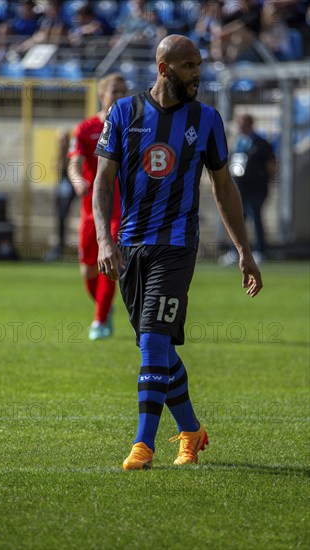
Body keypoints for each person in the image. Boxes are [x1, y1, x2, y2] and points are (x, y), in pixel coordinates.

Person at [92, 35, 263, 470]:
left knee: (152, 342)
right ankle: (191, 431)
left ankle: (142, 445)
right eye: (188, 66)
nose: (197, 73)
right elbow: (102, 181)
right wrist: (104, 239)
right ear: (164, 68)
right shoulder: (124, 113)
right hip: (131, 247)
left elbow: (224, 187)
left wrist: (243, 250)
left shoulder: (206, 120)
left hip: (177, 247)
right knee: (161, 349)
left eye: (199, 64)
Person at [67, 73, 128, 341]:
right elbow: (74, 163)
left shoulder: (133, 128)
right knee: (87, 269)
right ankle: (105, 307)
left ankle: (99, 321)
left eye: (124, 91)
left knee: (110, 259)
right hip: (91, 209)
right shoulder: (86, 128)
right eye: (115, 91)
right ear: (102, 95)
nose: (120, 96)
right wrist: (77, 179)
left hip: (120, 209)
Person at [223, 114, 276, 264]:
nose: (239, 127)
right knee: (238, 220)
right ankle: (236, 252)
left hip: (256, 189)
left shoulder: (261, 143)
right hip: (239, 189)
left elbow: (271, 165)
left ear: (249, 124)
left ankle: (259, 250)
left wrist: (264, 181)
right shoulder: (237, 142)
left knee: (256, 217)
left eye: (241, 124)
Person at [46, 131, 76, 261]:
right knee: (59, 218)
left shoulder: (70, 154)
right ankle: (59, 246)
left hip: (69, 189)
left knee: (63, 216)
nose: (61, 142)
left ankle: (61, 246)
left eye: (63, 140)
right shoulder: (60, 155)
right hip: (62, 189)